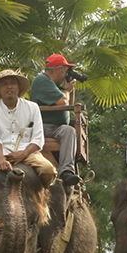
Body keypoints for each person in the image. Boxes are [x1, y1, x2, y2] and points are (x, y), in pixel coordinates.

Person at [0, 69, 56, 187]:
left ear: (18, 87)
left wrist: (23, 154)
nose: (9, 87)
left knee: (47, 170)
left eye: (13, 83)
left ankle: (44, 194)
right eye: (4, 84)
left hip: (27, 153)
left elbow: (38, 139)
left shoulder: (32, 107)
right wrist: (0, 159)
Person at [28, 53, 81, 187]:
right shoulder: (42, 80)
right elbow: (63, 101)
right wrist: (67, 91)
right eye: (66, 70)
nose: (67, 73)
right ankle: (64, 171)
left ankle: (67, 171)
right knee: (67, 130)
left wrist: (69, 90)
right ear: (59, 69)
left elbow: (69, 105)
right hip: (43, 126)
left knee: (69, 131)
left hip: (56, 128)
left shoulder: (54, 85)